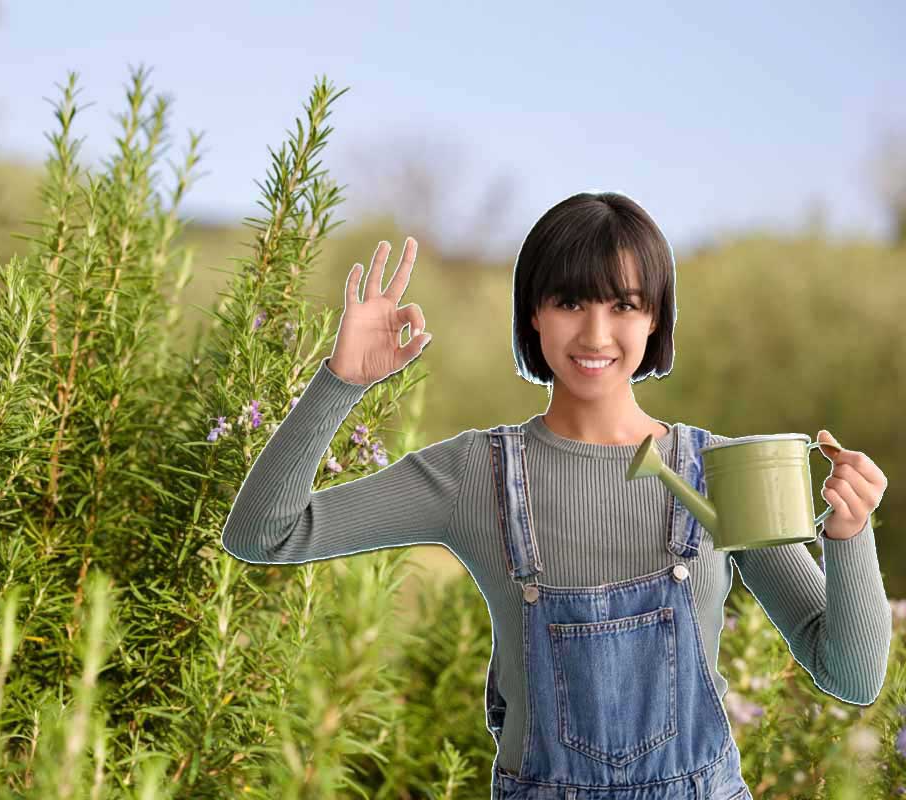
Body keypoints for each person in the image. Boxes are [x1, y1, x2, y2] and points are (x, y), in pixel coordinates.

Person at [220, 192, 891, 799]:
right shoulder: (472, 475)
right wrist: (341, 381)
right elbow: (263, 534)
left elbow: (850, 676)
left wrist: (850, 532)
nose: (597, 335)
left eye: (624, 304)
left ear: (655, 319)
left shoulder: (721, 470)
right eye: (570, 302)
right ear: (533, 316)